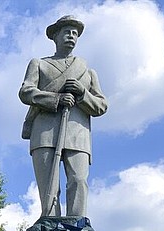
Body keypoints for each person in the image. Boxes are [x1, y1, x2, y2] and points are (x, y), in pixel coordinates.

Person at [19, 15, 108, 217]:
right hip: (44, 131)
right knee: (49, 185)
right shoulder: (39, 64)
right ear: (56, 36)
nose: (71, 36)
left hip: (78, 133)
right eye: (67, 32)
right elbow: (26, 92)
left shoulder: (88, 72)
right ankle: (50, 222)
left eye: (75, 34)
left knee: (78, 180)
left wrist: (82, 93)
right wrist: (55, 99)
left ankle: (77, 225)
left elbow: (101, 106)